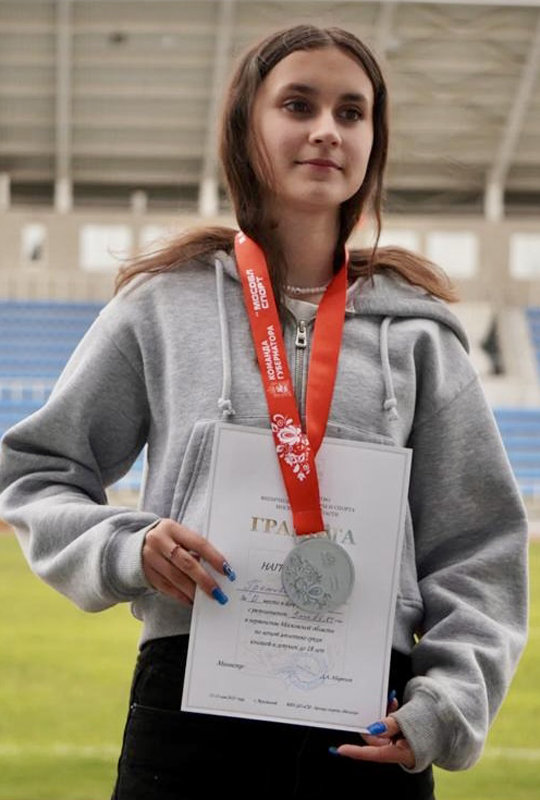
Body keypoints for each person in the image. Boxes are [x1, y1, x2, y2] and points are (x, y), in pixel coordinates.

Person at [0, 24, 528, 800]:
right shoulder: (163, 305)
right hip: (188, 714)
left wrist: (445, 705)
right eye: (298, 105)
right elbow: (37, 473)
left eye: (351, 112)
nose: (327, 130)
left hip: (368, 726)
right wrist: (128, 547)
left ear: (373, 141)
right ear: (247, 127)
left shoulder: (421, 335)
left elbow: (480, 546)